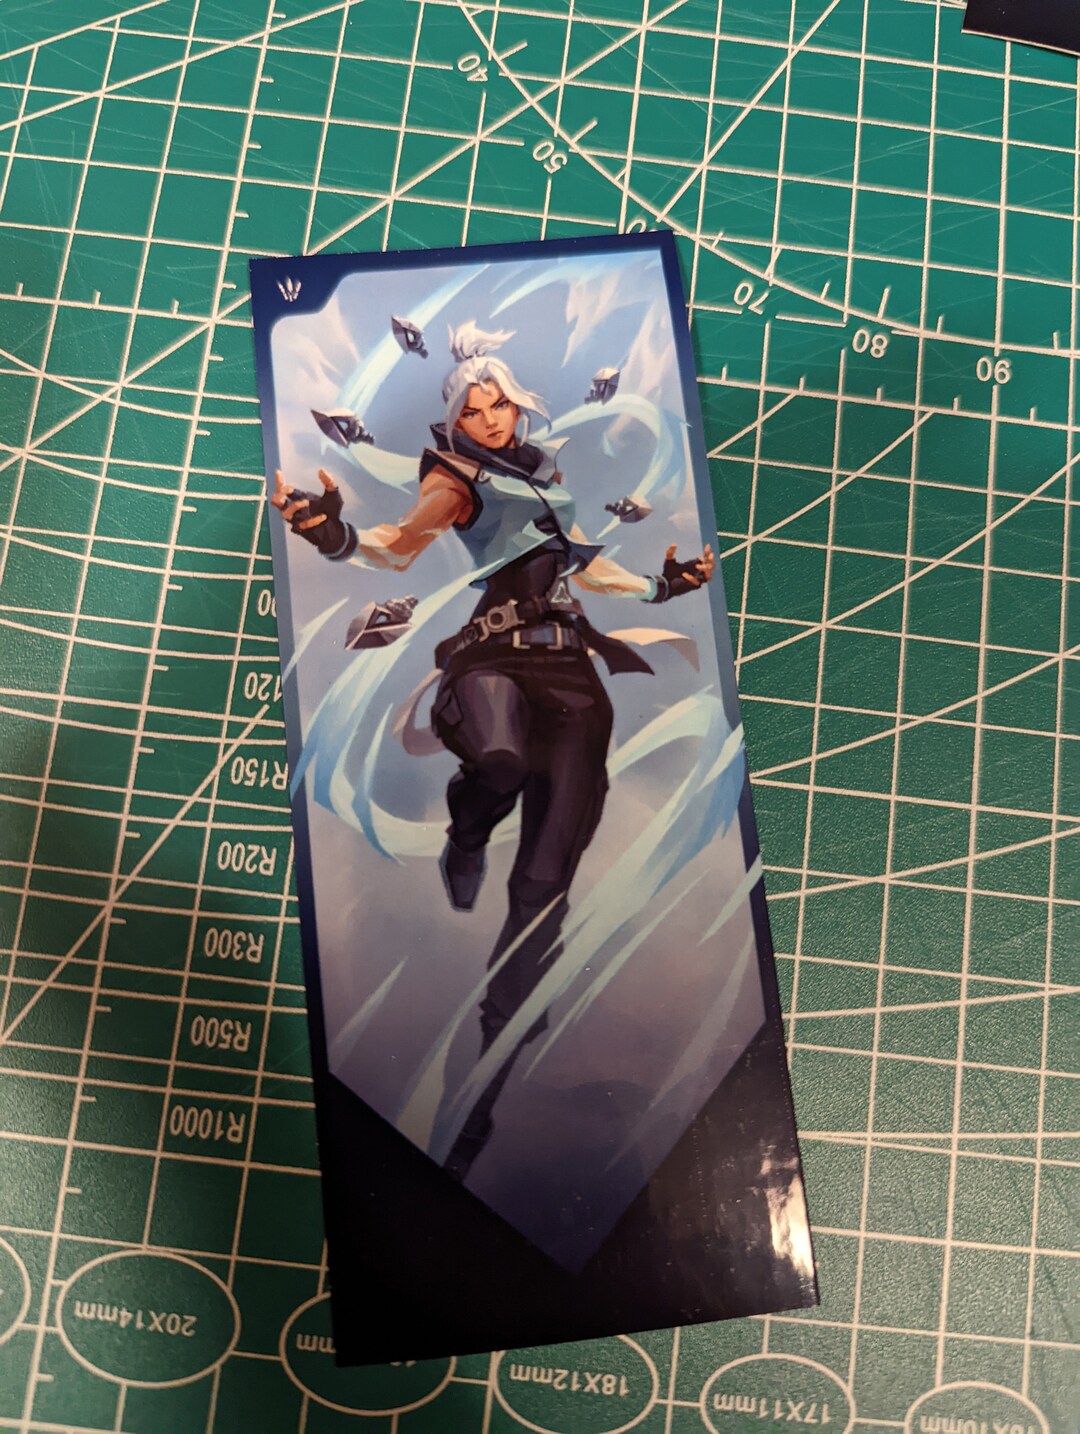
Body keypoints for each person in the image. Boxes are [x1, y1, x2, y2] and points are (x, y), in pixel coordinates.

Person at [272, 323, 714, 1178]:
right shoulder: (456, 479)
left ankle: (478, 1099)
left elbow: (588, 572)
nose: (489, 418)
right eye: (473, 410)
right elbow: (399, 545)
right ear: (458, 421)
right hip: (492, 660)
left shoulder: (546, 476)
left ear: (516, 404)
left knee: (542, 893)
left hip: (572, 677)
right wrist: (333, 535)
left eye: (498, 404)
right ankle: (467, 831)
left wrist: (664, 585)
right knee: (502, 759)